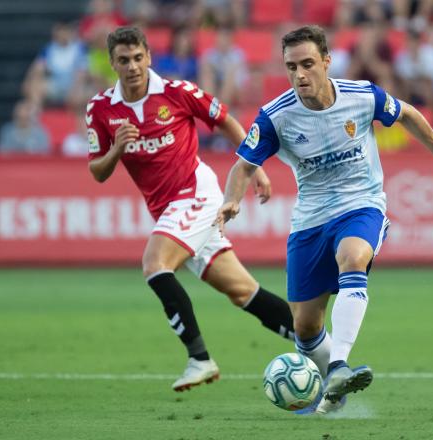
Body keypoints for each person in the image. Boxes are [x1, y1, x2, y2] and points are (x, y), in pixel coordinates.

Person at [215, 25, 433, 414]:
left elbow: (408, 114)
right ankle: (335, 391)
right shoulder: (276, 116)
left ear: (327, 62)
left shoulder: (362, 96)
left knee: (352, 257)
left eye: (308, 64)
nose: (299, 75)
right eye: (291, 66)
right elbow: (243, 166)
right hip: (310, 220)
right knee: (305, 326)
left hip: (361, 204)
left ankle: (338, 367)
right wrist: (232, 201)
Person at [86, 26, 295, 392]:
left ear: (149, 57)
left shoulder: (176, 92)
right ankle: (325, 350)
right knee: (242, 291)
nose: (133, 66)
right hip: (168, 210)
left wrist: (255, 166)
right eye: (124, 60)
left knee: (155, 264)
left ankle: (199, 358)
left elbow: (225, 120)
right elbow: (97, 172)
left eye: (138, 58)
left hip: (196, 193)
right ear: (112, 64)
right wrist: (117, 149)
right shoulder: (101, 109)